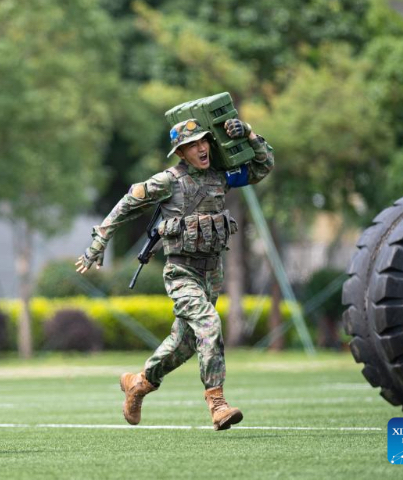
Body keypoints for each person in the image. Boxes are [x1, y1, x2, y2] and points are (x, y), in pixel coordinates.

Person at [76, 117, 273, 430]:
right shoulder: (168, 181)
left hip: (212, 272)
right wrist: (99, 242)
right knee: (209, 324)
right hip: (181, 273)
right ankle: (217, 403)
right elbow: (127, 203)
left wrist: (248, 133)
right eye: (192, 145)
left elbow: (263, 168)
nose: (201, 148)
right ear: (181, 153)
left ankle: (138, 383)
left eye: (204, 141)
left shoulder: (222, 176)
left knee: (184, 344)